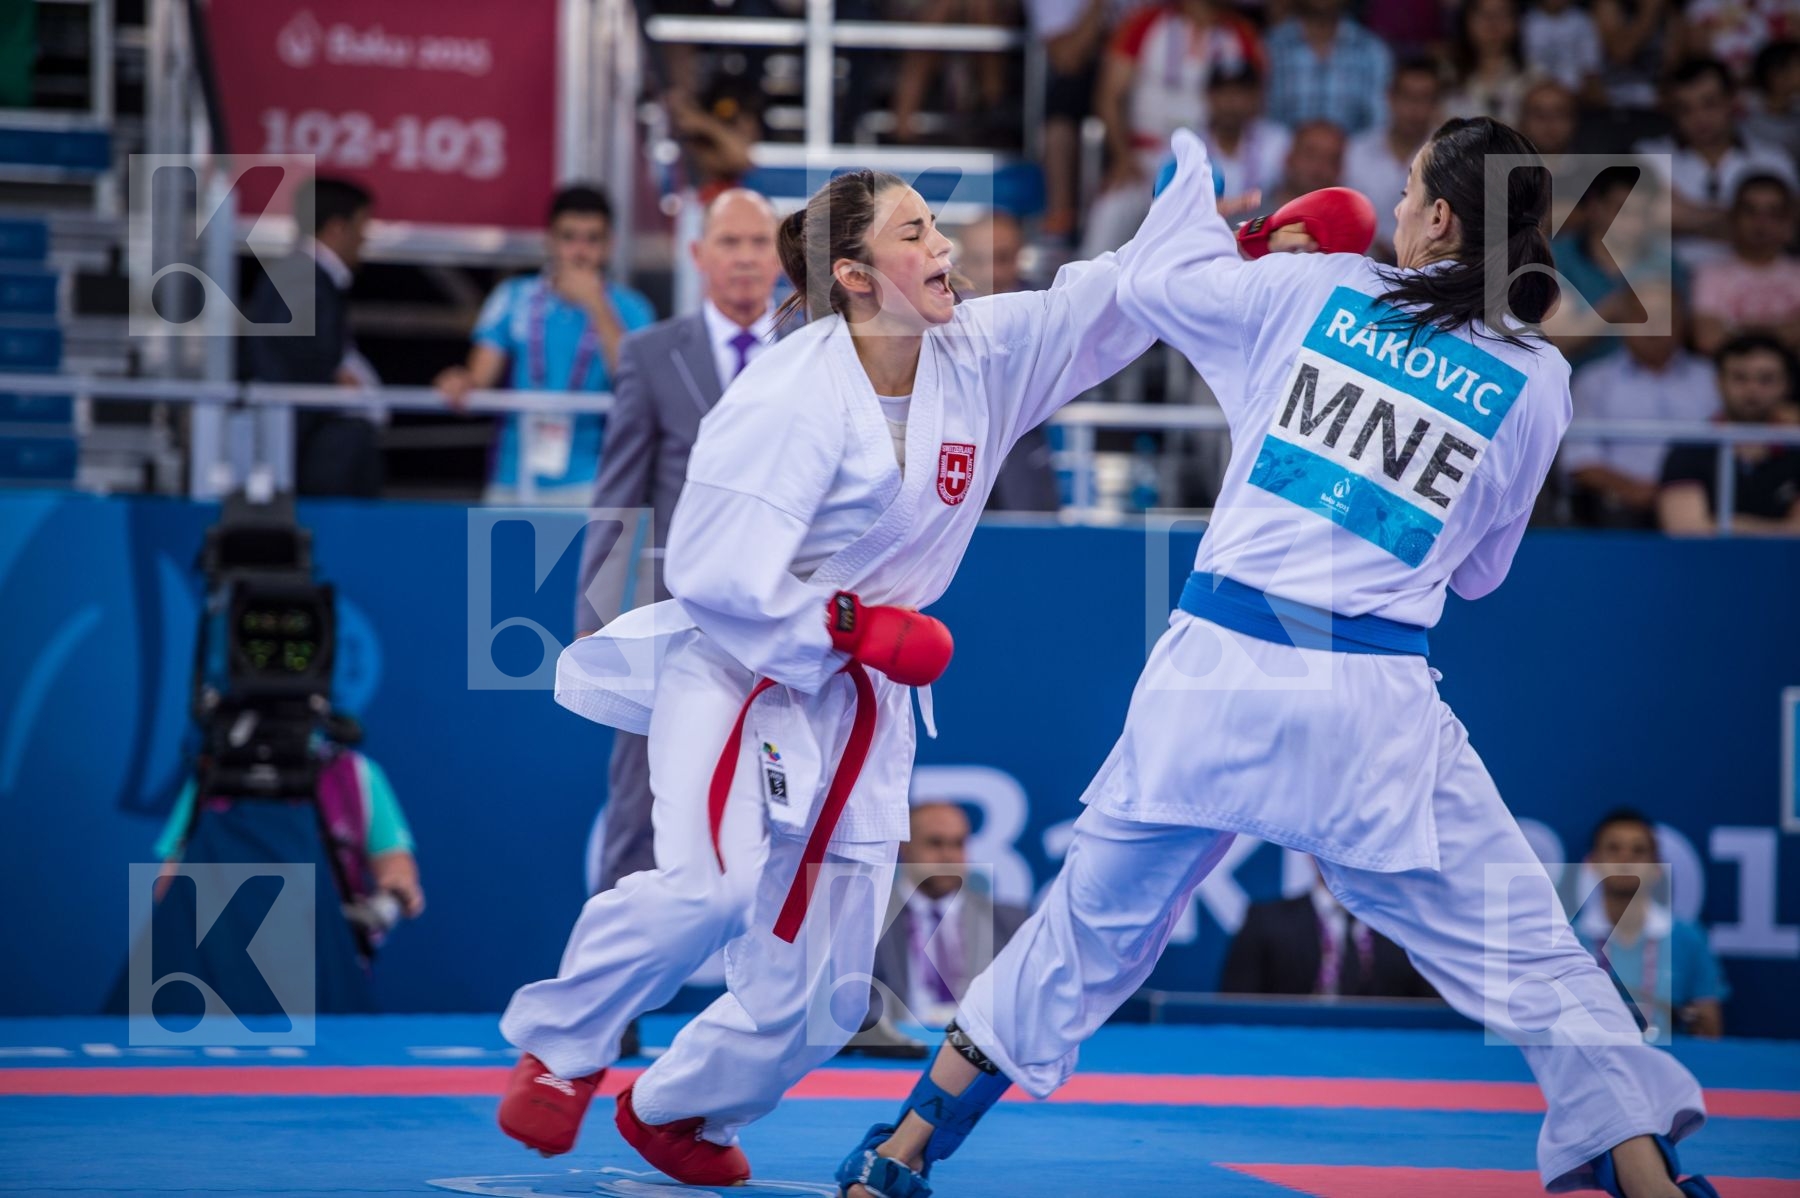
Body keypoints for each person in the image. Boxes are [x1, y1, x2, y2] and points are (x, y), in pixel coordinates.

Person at [837, 123, 1715, 1198]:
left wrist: (1231, 220)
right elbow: (1482, 577)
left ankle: (898, 1155)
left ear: (1441, 218)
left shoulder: (1321, 290)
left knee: (1080, 937)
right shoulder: (1535, 377)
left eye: (1406, 194)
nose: (1391, 210)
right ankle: (1645, 1175)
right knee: (1525, 945)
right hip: (1372, 700)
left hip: (1218, 669)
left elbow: (1156, 279)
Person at [500, 159, 1186, 1186]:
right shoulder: (786, 394)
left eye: (936, 226)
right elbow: (713, 568)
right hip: (741, 672)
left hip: (864, 700)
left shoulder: (975, 351)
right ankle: (562, 1048)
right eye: (916, 232)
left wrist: (1230, 258)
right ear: (857, 274)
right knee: (710, 887)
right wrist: (854, 622)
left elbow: (1092, 304)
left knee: (826, 987)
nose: (945, 246)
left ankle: (675, 1105)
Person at [573, 188, 786, 928]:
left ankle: (803, 989)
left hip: (789, 612)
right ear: (698, 256)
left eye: (760, 243)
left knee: (802, 802)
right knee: (640, 796)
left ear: (782, 258)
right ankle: (604, 995)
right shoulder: (651, 353)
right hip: (672, 611)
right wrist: (599, 618)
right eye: (730, 243)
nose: (747, 259)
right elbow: (618, 500)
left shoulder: (816, 349)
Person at [435, 185, 658, 503]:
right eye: (569, 238)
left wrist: (595, 303)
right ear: (550, 241)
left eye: (592, 239)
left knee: (597, 555)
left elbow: (635, 383)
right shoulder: (513, 296)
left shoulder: (632, 308)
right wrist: (460, 382)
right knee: (496, 556)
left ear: (610, 246)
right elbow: (479, 377)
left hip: (595, 479)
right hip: (513, 475)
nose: (580, 252)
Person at [1082, 0, 1264, 255]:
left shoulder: (1241, 33)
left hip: (1211, 159)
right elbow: (1109, 95)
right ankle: (1088, 284)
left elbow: (1254, 97)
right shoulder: (1144, 23)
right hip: (1145, 160)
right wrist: (1122, 157)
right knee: (1113, 206)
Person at [244, 176, 381, 498]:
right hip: (302, 448)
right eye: (363, 226)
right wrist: (334, 383)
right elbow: (288, 354)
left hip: (303, 441)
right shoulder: (301, 277)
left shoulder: (305, 277)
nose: (366, 238)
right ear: (337, 228)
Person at [1563, 292, 1719, 527]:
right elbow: (1579, 459)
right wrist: (1631, 489)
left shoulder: (1712, 378)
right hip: (1618, 504)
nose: (1652, 326)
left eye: (1663, 317)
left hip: (1702, 502)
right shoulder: (1593, 379)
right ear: (1624, 322)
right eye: (1641, 317)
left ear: (1682, 325)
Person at [870, 802, 1030, 1027]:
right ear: (905, 847)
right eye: (935, 843)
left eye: (958, 843)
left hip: (977, 1053)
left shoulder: (1011, 924)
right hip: (896, 1054)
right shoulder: (870, 922)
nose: (948, 855)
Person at [1575, 809, 1729, 1041]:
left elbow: (1710, 1032)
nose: (1625, 859)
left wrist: (1692, 1019)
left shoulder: (1688, 939)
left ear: (1656, 868)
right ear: (1592, 864)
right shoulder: (1569, 939)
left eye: (1638, 851)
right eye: (1613, 849)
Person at [1634, 57, 1799, 271]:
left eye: (1709, 104)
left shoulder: (1772, 160)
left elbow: (1789, 231)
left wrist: (1686, 218)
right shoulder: (1648, 157)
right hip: (1672, 280)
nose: (1699, 117)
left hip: (1756, 283)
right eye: (1685, 109)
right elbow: (1637, 223)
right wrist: (1749, 222)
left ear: (1732, 100)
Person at [950, 212, 1063, 513]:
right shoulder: (933, 314)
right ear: (960, 261)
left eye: (1002, 258)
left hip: (1026, 457)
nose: (992, 273)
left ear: (1019, 257)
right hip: (950, 460)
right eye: (980, 260)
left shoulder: (1046, 310)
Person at [1221, 865, 1436, 999]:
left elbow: (1432, 1013)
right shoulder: (1266, 921)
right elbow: (1236, 1009)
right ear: (1311, 851)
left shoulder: (1407, 927)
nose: (1343, 856)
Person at [1659, 332, 1800, 534]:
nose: (1752, 389)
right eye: (1739, 377)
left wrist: (1728, 525)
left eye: (1766, 379)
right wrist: (1779, 529)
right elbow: (1686, 530)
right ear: (1718, 382)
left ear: (1786, 385)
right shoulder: (1689, 448)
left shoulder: (1796, 447)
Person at [1344, 56, 1444, 260]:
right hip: (1362, 265)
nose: (1415, 108)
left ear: (1436, 104)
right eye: (1408, 97)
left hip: (1428, 269)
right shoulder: (1356, 151)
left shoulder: (1449, 154)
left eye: (1424, 98)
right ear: (1390, 97)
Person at [1691, 174, 1800, 356]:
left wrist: (1736, 331)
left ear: (1788, 222)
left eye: (1773, 213)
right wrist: (1785, 329)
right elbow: (1708, 340)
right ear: (1733, 218)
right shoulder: (1710, 274)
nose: (1761, 223)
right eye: (1751, 211)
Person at [1264, 0, 1394, 136]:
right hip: (1277, 155)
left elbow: (1380, 123)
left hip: (1354, 155)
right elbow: (1260, 118)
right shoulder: (1270, 48)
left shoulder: (1373, 52)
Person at [1202, 60, 1292, 205]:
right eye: (1223, 93)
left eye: (1239, 93)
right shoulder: (1187, 148)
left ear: (1254, 98)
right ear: (1209, 96)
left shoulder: (1277, 143)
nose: (1230, 102)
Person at [1444, 0, 1532, 126]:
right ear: (1466, 20)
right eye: (1483, 14)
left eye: (1502, 14)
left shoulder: (1532, 78)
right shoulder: (1445, 75)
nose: (1492, 24)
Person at [1522, 0, 1604, 97]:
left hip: (1578, 91)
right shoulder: (1527, 22)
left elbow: (1591, 64)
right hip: (1539, 89)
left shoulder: (1583, 21)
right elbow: (1530, 62)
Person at [1267, 119, 1346, 209]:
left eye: (1331, 160)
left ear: (1339, 169)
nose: (1318, 167)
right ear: (1289, 158)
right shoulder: (1254, 218)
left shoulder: (1349, 221)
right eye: (1310, 155)